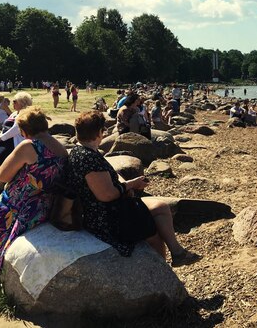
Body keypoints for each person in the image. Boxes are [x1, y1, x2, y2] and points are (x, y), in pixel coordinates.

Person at [68, 111, 192, 265]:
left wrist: (128, 184)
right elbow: (106, 195)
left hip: (106, 209)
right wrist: (131, 185)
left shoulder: (83, 151)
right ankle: (164, 271)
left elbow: (108, 177)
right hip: (106, 217)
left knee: (160, 209)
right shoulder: (88, 157)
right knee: (154, 231)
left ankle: (176, 253)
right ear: (99, 133)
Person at [0, 107, 67, 279]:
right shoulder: (60, 148)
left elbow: (3, 176)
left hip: (18, 208)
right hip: (43, 206)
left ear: (23, 129)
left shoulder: (29, 146)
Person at [0, 92, 33, 195]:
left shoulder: (24, 114)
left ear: (22, 102)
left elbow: (15, 130)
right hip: (3, 140)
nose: (12, 103)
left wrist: (0, 138)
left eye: (15, 101)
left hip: (12, 142)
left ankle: (1, 184)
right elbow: (5, 127)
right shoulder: (14, 113)